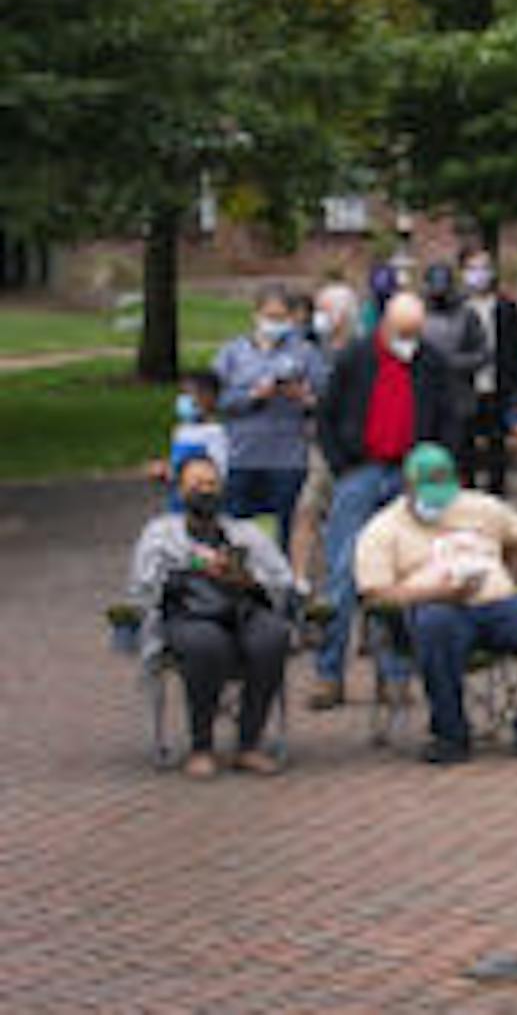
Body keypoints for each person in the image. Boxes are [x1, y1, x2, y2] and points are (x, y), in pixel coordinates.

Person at [354, 443, 517, 764]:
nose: (437, 502)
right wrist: (433, 593)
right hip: (432, 608)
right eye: (428, 491)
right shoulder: (384, 529)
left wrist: (507, 577)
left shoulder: (481, 508)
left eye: (443, 490)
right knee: (436, 624)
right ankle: (450, 733)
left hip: (494, 604)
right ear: (408, 486)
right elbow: (375, 593)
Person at [311, 292, 450, 710]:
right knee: (342, 575)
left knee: (400, 578)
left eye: (415, 333)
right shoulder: (356, 358)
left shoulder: (431, 363)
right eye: (402, 332)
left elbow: (449, 417)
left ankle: (395, 674)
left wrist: (433, 468)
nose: (409, 340)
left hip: (410, 477)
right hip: (361, 471)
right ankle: (329, 673)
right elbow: (327, 415)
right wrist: (342, 466)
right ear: (385, 325)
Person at [127, 454, 297, 778]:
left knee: (273, 637)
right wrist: (196, 566)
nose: (205, 491)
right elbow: (142, 586)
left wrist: (246, 578)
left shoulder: (245, 532)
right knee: (207, 644)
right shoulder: (160, 533)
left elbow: (282, 580)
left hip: (243, 611)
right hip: (186, 616)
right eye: (196, 484)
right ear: (180, 490)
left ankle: (249, 744)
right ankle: (201, 747)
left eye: (211, 483)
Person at [212, 285, 325, 552]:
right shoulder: (232, 353)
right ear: (256, 315)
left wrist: (303, 397)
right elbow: (215, 400)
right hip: (242, 455)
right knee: (236, 530)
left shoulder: (306, 353)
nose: (275, 323)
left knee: (284, 531)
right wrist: (253, 395)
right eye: (270, 316)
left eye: (281, 317)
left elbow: (326, 400)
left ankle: (281, 582)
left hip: (287, 459)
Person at [289, 282, 361, 585]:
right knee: (307, 509)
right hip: (316, 442)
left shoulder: (362, 352)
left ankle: (347, 575)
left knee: (350, 512)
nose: (317, 316)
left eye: (324, 310)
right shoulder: (308, 349)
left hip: (352, 444)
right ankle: (300, 579)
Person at [459, 247, 517, 495]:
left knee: (496, 445)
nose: (479, 274)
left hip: (497, 385)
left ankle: (496, 495)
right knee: (465, 447)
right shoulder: (457, 308)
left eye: (484, 268)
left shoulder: (506, 308)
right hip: (465, 387)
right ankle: (467, 497)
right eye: (472, 268)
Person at [420, 262, 491, 466]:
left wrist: (454, 363)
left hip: (459, 399)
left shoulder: (467, 315)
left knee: (460, 459)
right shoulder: (418, 314)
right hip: (425, 398)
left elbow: (483, 354)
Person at [151, 370, 229, 507]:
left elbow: (218, 474)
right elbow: (177, 466)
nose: (183, 400)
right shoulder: (181, 431)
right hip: (177, 500)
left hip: (200, 504)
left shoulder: (215, 433)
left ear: (208, 398)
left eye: (189, 394)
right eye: (182, 394)